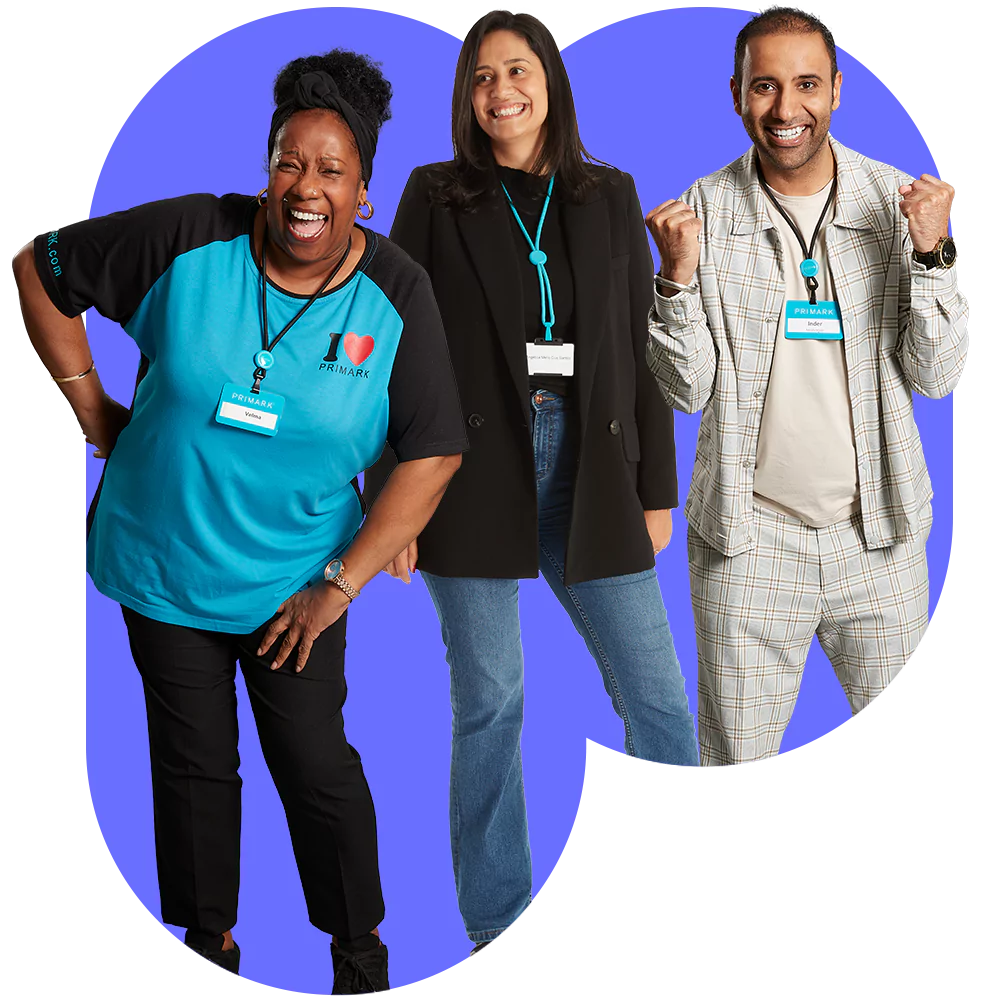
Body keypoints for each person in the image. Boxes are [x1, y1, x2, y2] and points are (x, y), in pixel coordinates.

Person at [13, 48, 468, 995]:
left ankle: (357, 950)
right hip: (161, 563)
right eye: (289, 162)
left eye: (331, 170)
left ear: (365, 195)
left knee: (313, 765)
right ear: (267, 170)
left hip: (292, 580)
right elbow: (40, 268)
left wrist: (335, 586)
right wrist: (92, 407)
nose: (306, 188)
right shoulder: (189, 238)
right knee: (191, 768)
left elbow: (433, 452)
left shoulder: (395, 294)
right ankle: (207, 946)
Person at [363, 9, 699, 951]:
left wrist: (656, 487)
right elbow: (395, 352)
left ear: (550, 80)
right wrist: (394, 503)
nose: (500, 91)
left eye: (517, 70)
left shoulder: (608, 192)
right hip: (467, 475)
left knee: (662, 701)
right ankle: (499, 923)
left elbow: (645, 351)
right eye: (481, 78)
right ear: (467, 99)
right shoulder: (436, 195)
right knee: (493, 701)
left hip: (595, 472)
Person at [644, 6, 967, 769]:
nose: (785, 110)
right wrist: (675, 282)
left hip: (878, 539)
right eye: (765, 87)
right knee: (733, 758)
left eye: (805, 85)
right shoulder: (704, 213)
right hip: (747, 543)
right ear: (736, 94)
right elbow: (685, 393)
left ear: (836, 92)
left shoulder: (896, 203)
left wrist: (933, 256)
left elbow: (940, 373)